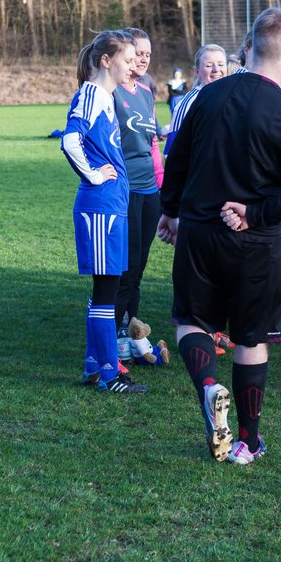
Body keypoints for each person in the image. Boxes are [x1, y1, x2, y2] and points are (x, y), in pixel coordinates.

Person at [158, 7, 281, 463]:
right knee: (250, 340)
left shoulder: (205, 98)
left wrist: (170, 212)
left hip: (199, 234)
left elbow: (176, 160)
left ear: (249, 48)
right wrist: (255, 213)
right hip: (258, 245)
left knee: (193, 323)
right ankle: (248, 442)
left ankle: (209, 387)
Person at [60, 30, 148, 394]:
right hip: (100, 207)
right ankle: (111, 376)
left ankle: (95, 367)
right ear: (105, 61)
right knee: (106, 292)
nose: (133, 67)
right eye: (127, 60)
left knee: (105, 292)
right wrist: (95, 174)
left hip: (111, 205)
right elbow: (69, 139)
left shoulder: (105, 97)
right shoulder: (91, 94)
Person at [112, 28, 169, 367]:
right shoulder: (111, 92)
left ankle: (132, 331)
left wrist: (161, 186)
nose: (144, 59)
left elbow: (152, 145)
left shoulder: (146, 92)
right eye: (138, 53)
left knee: (139, 269)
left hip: (150, 192)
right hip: (126, 191)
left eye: (149, 53)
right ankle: (116, 338)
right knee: (126, 268)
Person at [162, 44, 227, 155]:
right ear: (197, 71)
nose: (216, 70)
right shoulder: (188, 104)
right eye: (209, 65)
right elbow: (171, 154)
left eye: (221, 64)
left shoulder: (232, 97)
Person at [128, 27, 159, 95]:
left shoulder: (146, 94)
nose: (144, 60)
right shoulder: (110, 92)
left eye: (147, 55)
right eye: (139, 54)